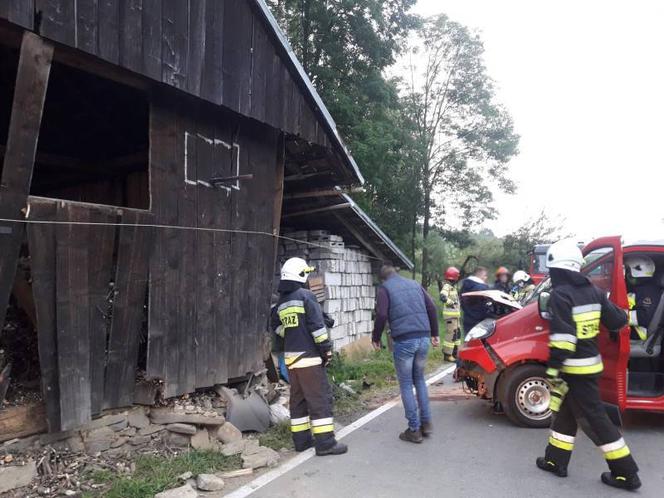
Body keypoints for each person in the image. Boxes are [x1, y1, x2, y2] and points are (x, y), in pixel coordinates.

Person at [535, 239, 641, 490]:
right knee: (565, 415)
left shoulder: (561, 295)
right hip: (590, 366)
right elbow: (618, 321)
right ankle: (555, 461)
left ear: (557, 269)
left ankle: (627, 474)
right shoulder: (593, 291)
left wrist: (552, 370)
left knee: (597, 421)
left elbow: (563, 340)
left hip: (575, 370)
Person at [271, 257, 347, 456]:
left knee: (298, 401)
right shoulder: (306, 296)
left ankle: (302, 441)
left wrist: (292, 334)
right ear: (301, 275)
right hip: (309, 358)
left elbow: (277, 327)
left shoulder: (282, 302)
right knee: (319, 399)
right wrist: (326, 350)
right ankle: (325, 443)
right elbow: (317, 327)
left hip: (291, 361)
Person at [372, 265, 440, 443]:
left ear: (383, 279)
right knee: (419, 380)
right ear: (396, 273)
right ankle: (426, 424)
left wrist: (376, 337)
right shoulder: (414, 284)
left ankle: (414, 430)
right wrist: (435, 333)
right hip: (423, 338)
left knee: (406, 384)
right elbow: (432, 307)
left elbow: (381, 314)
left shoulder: (385, 288)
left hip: (404, 340)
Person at [625, 255, 660, 342]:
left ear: (635, 272)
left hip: (638, 336)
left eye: (627, 271)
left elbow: (643, 317)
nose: (626, 274)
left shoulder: (648, 291)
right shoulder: (639, 288)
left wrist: (619, 315)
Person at [460, 266, 490, 334]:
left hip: (467, 319)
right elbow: (486, 306)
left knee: (468, 341)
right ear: (480, 275)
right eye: (485, 275)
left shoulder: (465, 286)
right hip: (480, 322)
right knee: (479, 343)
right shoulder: (482, 288)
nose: (486, 278)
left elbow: (462, 302)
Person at [440, 266, 461, 362]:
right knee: (451, 335)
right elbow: (442, 297)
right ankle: (447, 355)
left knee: (457, 335)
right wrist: (451, 302)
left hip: (455, 316)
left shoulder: (452, 288)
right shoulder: (447, 286)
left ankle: (456, 353)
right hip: (450, 317)